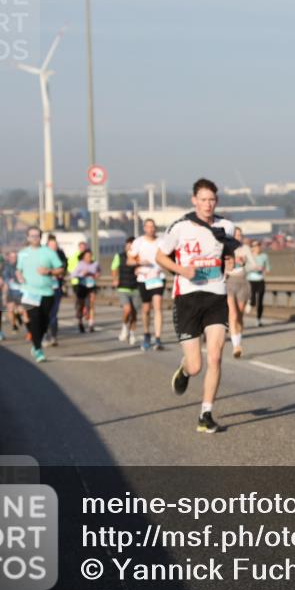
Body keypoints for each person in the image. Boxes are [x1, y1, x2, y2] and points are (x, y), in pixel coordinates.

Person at [156, 178, 237, 434]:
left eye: (212, 199)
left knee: (215, 356)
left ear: (217, 201)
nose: (208, 204)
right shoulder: (180, 227)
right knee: (196, 365)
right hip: (187, 297)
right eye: (203, 199)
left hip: (215, 296)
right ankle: (185, 368)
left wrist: (230, 262)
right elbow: (160, 256)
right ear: (194, 200)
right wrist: (182, 269)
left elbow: (228, 252)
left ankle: (206, 413)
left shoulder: (226, 226)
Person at [16, 226, 64, 363]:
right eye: (31, 236)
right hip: (29, 291)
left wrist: (48, 271)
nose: (34, 238)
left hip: (47, 292)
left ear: (40, 237)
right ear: (27, 237)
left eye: (37, 236)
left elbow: (60, 269)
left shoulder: (48, 252)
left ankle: (36, 341)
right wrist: (19, 276)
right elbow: (18, 270)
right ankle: (38, 349)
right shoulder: (23, 253)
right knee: (34, 319)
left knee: (44, 321)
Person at [130, 218, 166, 351]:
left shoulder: (161, 242)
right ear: (144, 228)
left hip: (157, 278)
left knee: (158, 306)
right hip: (143, 278)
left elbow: (167, 257)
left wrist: (163, 266)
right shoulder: (138, 242)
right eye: (148, 227)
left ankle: (158, 338)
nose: (151, 229)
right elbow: (130, 259)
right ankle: (146, 333)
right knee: (146, 309)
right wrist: (138, 264)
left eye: (153, 226)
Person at [225, 227, 257, 357]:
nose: (238, 237)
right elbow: (220, 264)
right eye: (236, 235)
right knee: (232, 313)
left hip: (242, 282)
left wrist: (243, 264)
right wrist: (227, 268)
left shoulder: (245, 249)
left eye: (240, 235)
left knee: (239, 315)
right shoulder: (226, 248)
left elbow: (254, 265)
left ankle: (238, 337)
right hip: (229, 282)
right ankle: (236, 346)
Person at [111, 236, 140, 345]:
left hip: (136, 287)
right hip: (123, 287)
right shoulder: (119, 256)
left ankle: (132, 333)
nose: (130, 247)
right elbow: (114, 268)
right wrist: (115, 279)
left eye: (132, 245)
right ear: (126, 245)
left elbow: (142, 267)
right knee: (127, 309)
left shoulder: (138, 257)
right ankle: (124, 326)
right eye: (128, 244)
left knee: (134, 313)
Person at [46, 235, 68, 346]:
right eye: (51, 245)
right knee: (45, 313)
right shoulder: (42, 256)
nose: (54, 247)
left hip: (56, 288)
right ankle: (45, 334)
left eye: (55, 245)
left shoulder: (60, 254)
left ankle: (53, 336)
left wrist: (61, 272)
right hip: (43, 289)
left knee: (53, 313)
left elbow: (64, 267)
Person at [71, 249, 100, 333]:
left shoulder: (95, 263)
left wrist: (97, 274)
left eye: (90, 256)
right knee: (81, 305)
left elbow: (98, 271)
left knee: (91, 304)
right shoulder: (80, 264)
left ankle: (91, 324)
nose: (88, 258)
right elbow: (73, 275)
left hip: (92, 286)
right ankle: (80, 322)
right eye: (87, 256)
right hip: (82, 287)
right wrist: (82, 274)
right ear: (83, 257)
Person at [247, 239, 271, 327]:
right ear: (252, 247)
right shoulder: (248, 256)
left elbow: (268, 268)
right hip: (250, 280)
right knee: (253, 301)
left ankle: (258, 319)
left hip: (260, 280)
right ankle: (250, 302)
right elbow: (245, 268)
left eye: (258, 245)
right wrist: (253, 268)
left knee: (260, 301)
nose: (257, 247)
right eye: (255, 246)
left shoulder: (264, 256)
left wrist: (263, 270)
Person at [3, 250, 25, 333]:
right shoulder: (6, 267)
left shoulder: (21, 266)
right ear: (8, 258)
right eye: (11, 257)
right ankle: (14, 326)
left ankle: (18, 316)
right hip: (10, 292)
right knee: (10, 310)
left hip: (20, 293)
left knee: (21, 310)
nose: (13, 258)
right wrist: (4, 296)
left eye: (15, 257)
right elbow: (6, 282)